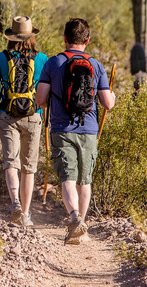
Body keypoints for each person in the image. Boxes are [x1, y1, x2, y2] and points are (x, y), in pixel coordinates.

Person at [35, 18, 115, 245]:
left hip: (61, 128)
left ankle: (74, 219)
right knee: (84, 180)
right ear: (87, 40)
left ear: (65, 38)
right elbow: (107, 103)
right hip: (89, 130)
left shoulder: (53, 63)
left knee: (67, 178)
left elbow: (41, 100)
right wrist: (114, 98)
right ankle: (82, 225)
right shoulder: (96, 66)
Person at [0, 16, 48, 227]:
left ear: (11, 36)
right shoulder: (42, 59)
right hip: (33, 115)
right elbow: (47, 90)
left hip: (7, 114)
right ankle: (26, 215)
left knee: (10, 161)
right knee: (28, 168)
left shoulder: (1, 58)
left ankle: (15, 204)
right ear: (31, 36)